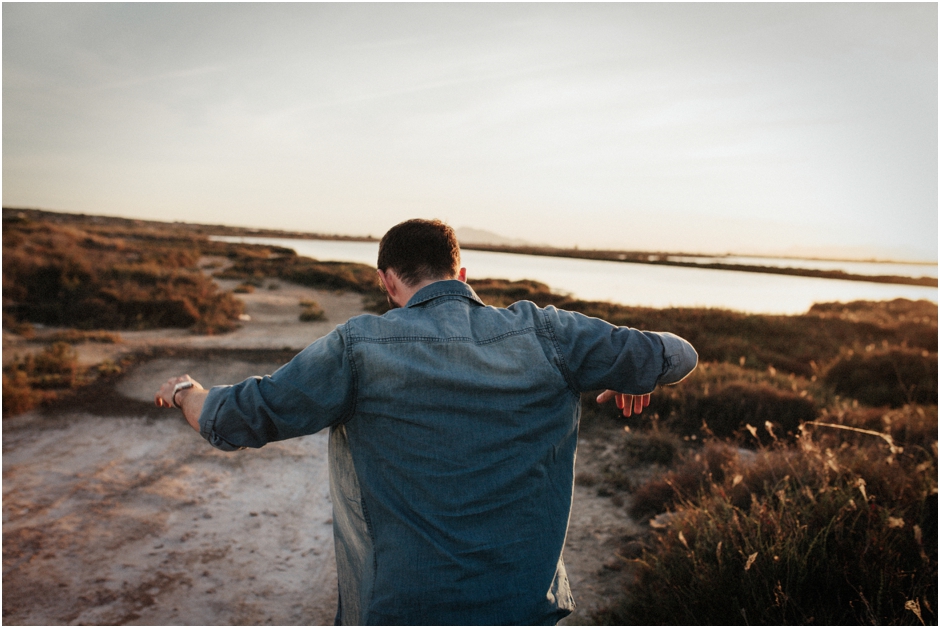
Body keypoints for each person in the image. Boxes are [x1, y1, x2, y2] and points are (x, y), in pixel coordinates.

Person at [155, 218, 697, 625]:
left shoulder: (357, 346)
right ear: (462, 275)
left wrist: (187, 391)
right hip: (523, 609)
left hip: (405, 610)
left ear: (387, 283)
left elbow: (240, 417)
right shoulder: (549, 333)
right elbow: (678, 355)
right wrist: (632, 374)